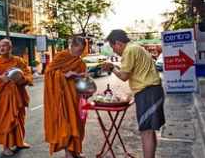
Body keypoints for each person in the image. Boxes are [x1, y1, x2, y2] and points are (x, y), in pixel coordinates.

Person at [102, 29, 165, 158]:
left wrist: (112, 68)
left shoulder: (129, 51)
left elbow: (124, 76)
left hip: (147, 93)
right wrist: (114, 66)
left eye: (113, 47)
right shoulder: (135, 48)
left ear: (119, 43)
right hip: (152, 91)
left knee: (146, 131)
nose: (114, 51)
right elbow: (129, 71)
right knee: (149, 130)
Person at [44, 36, 87, 158]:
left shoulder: (79, 61)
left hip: (76, 97)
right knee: (67, 124)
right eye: (78, 50)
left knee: (78, 124)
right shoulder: (61, 57)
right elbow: (48, 73)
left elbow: (83, 76)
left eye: (81, 51)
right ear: (72, 46)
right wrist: (64, 75)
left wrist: (80, 75)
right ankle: (68, 152)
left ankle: (76, 150)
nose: (79, 54)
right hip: (62, 98)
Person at [0, 39, 33, 156]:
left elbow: (27, 73)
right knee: (6, 121)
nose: (2, 48)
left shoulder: (18, 61)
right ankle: (6, 146)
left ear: (10, 48)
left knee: (19, 119)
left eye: (4, 46)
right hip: (4, 97)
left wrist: (22, 79)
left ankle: (19, 142)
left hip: (18, 95)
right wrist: (0, 78)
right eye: (0, 46)